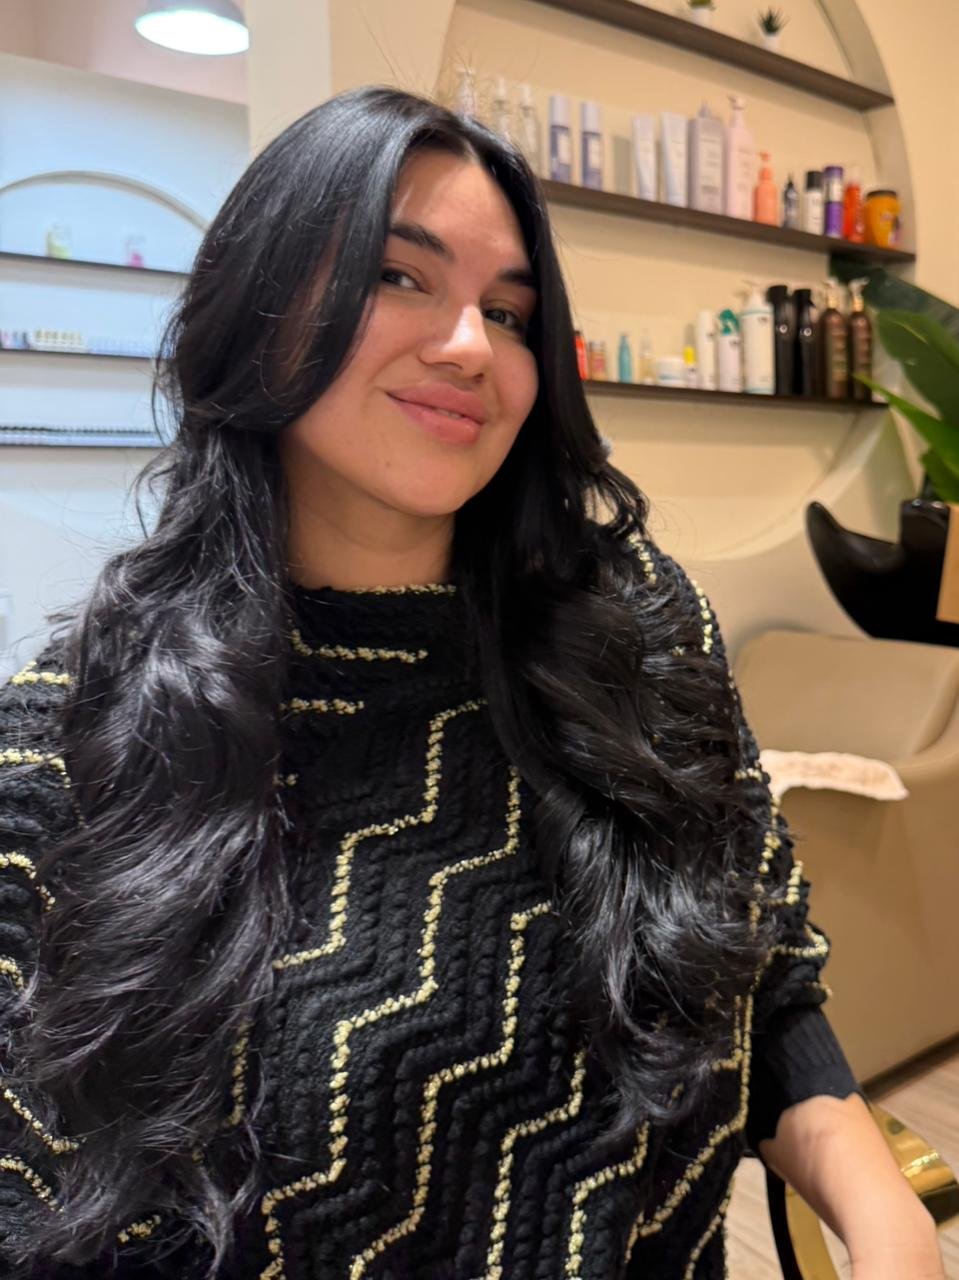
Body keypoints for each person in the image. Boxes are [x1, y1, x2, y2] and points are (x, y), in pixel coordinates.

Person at [0, 85, 943, 1280]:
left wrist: (884, 1212)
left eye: (507, 312)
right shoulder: (79, 733)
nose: (466, 347)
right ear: (262, 303)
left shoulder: (636, 632)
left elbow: (760, 971)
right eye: (401, 277)